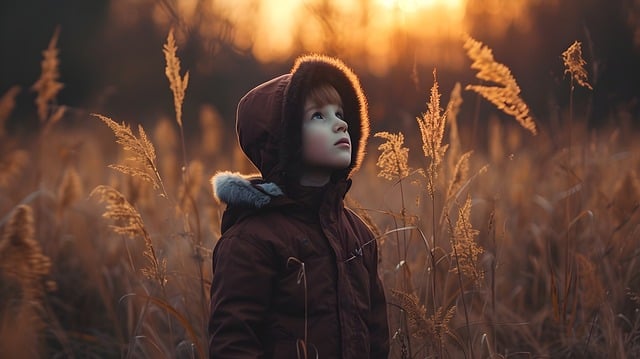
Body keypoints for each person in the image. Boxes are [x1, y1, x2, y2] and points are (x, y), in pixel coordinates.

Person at [208, 55, 389, 358]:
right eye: (319, 116)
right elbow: (233, 342)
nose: (340, 123)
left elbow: (377, 337)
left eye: (340, 113)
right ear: (283, 138)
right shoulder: (252, 240)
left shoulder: (358, 235)